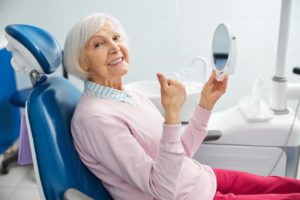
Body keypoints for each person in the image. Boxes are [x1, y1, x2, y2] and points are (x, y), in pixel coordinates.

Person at [63, 13, 300, 200]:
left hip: (201, 179)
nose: (114, 47)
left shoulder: (129, 95)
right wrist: (172, 116)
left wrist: (205, 104)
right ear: (82, 62)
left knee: (287, 186)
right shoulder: (95, 118)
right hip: (187, 195)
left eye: (115, 38)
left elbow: (179, 156)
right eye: (98, 45)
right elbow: (161, 188)